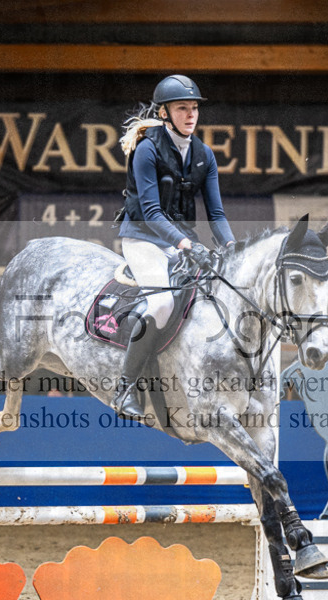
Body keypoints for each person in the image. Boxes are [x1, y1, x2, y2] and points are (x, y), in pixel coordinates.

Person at [111, 75, 236, 420]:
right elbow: (151, 212)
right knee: (163, 303)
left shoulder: (204, 154)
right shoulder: (147, 149)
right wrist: (184, 244)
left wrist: (232, 248)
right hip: (144, 238)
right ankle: (125, 388)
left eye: (194, 108)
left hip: (182, 244)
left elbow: (217, 214)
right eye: (182, 108)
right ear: (164, 113)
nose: (191, 114)